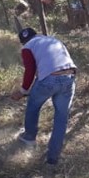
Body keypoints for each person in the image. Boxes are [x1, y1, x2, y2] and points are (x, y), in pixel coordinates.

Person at [11, 27, 76, 165]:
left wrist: (23, 91)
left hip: (50, 79)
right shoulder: (52, 40)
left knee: (33, 106)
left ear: (23, 42)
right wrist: (30, 89)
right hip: (69, 77)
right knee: (61, 118)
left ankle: (29, 137)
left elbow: (30, 70)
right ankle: (52, 158)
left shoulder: (27, 47)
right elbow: (45, 69)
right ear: (36, 35)